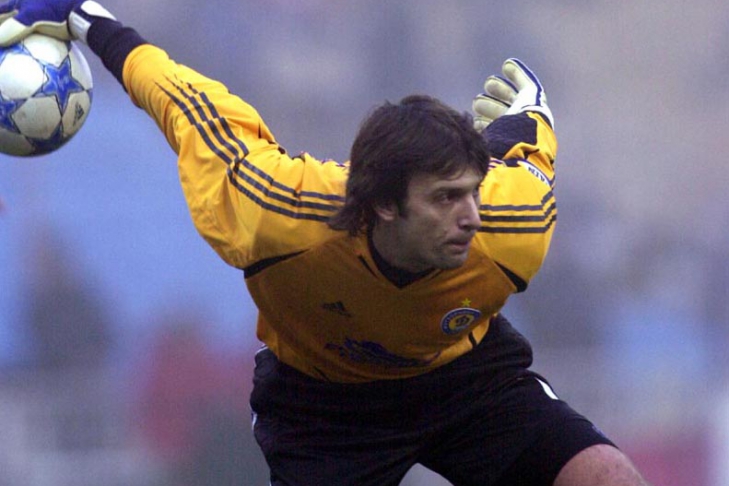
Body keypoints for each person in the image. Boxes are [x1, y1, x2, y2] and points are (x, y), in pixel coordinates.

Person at [0, 2, 651, 485]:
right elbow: (185, 104)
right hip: (324, 410)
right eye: (445, 199)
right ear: (384, 204)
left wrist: (530, 114)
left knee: (607, 477)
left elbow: (528, 148)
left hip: (464, 381)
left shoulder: (513, 225)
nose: (470, 216)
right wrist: (91, 21)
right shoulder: (276, 212)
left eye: (472, 192)